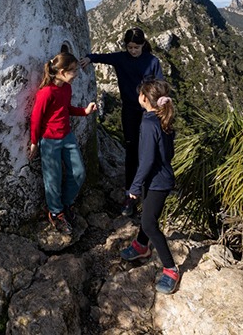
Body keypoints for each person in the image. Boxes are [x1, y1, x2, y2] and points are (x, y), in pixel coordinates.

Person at [80, 27, 163, 216]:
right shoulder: (121, 58)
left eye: (136, 47)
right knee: (131, 151)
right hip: (129, 112)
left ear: (143, 45)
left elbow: (161, 85)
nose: (133, 51)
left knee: (148, 151)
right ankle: (130, 194)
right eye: (130, 47)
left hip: (149, 113)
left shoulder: (152, 61)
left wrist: (161, 106)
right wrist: (89, 58)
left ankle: (149, 192)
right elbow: (104, 57)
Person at [119, 78, 179, 294]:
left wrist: (134, 188)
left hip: (156, 182)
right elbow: (168, 154)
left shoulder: (147, 124)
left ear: (144, 98)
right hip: (161, 178)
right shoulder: (163, 120)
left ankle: (171, 268)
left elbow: (145, 161)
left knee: (149, 223)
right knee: (149, 216)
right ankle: (141, 246)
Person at [29, 52, 98, 235]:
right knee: (53, 178)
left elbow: (65, 109)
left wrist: (84, 111)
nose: (76, 74)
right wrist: (35, 142)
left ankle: (66, 204)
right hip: (50, 140)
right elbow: (36, 118)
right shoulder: (46, 93)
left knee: (78, 172)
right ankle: (55, 211)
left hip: (67, 137)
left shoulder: (66, 88)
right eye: (73, 70)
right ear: (61, 71)